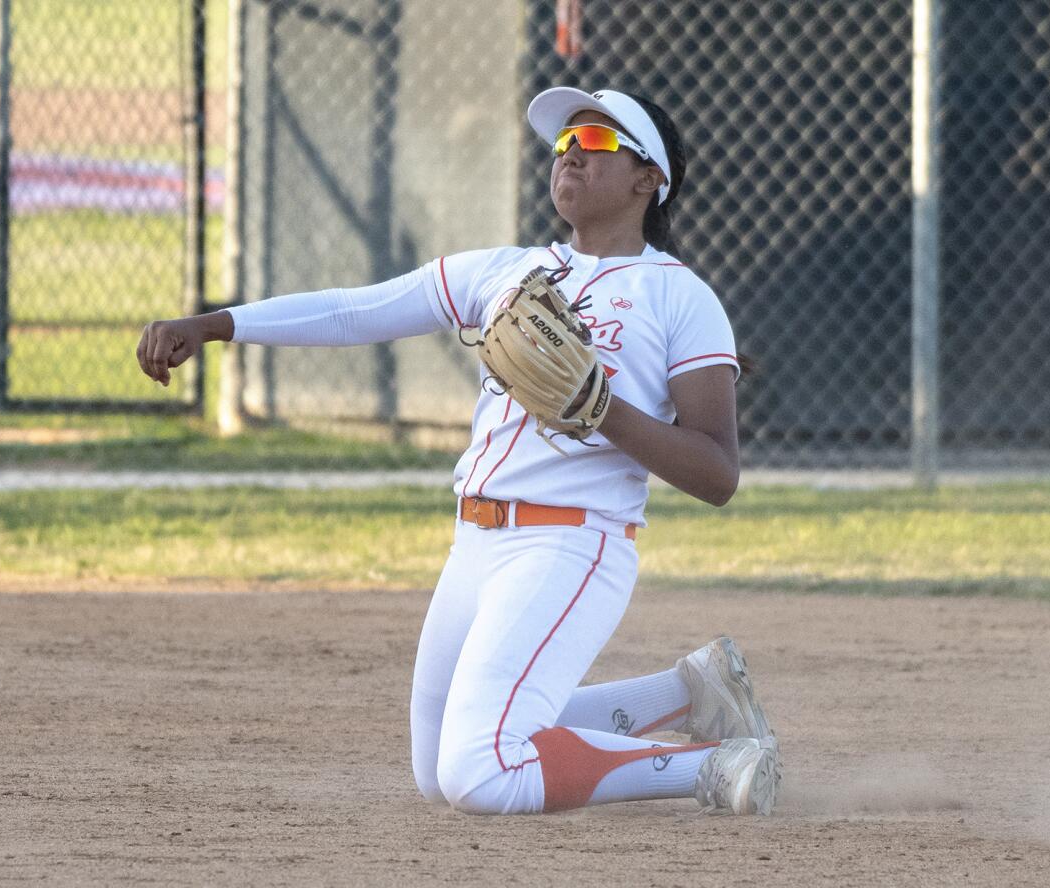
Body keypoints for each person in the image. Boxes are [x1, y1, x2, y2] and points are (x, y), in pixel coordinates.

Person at [136, 87, 779, 816]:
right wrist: (216, 325)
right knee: (438, 767)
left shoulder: (679, 297)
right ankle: (687, 695)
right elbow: (357, 310)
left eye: (595, 143)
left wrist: (603, 409)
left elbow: (717, 473)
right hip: (475, 542)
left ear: (648, 178)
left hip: (571, 544)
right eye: (564, 144)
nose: (570, 154)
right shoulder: (507, 271)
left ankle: (710, 764)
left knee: (481, 770)